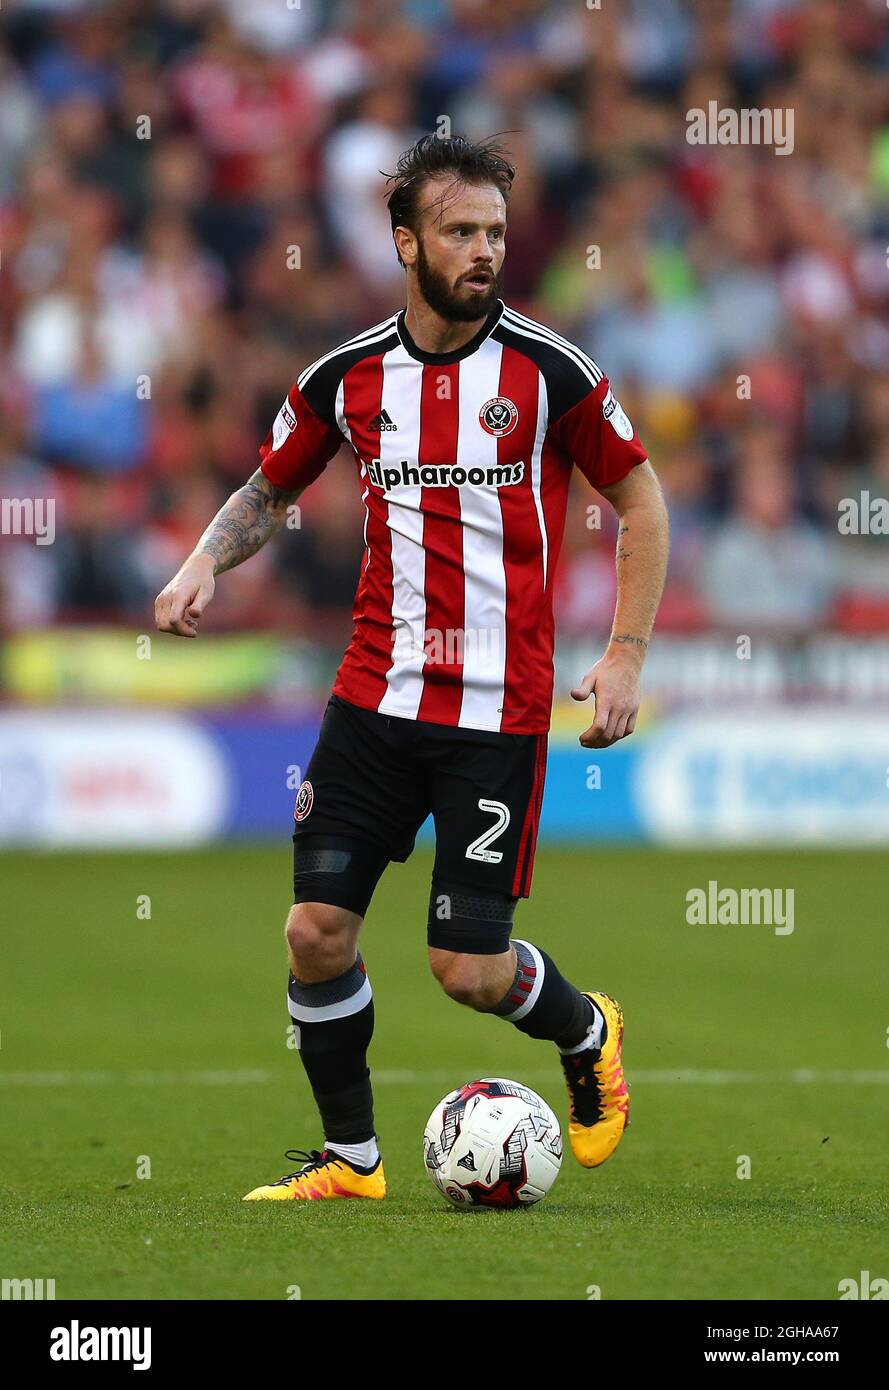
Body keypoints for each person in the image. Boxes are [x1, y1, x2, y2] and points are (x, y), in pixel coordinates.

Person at [155, 135, 669, 1202]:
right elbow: (268, 487)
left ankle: (586, 1025)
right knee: (313, 931)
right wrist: (205, 558)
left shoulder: (551, 371)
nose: (483, 251)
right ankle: (352, 1160)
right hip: (372, 698)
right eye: (458, 232)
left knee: (468, 969)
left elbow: (641, 503)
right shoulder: (345, 378)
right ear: (405, 243)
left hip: (496, 710)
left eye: (493, 231)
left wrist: (624, 654)